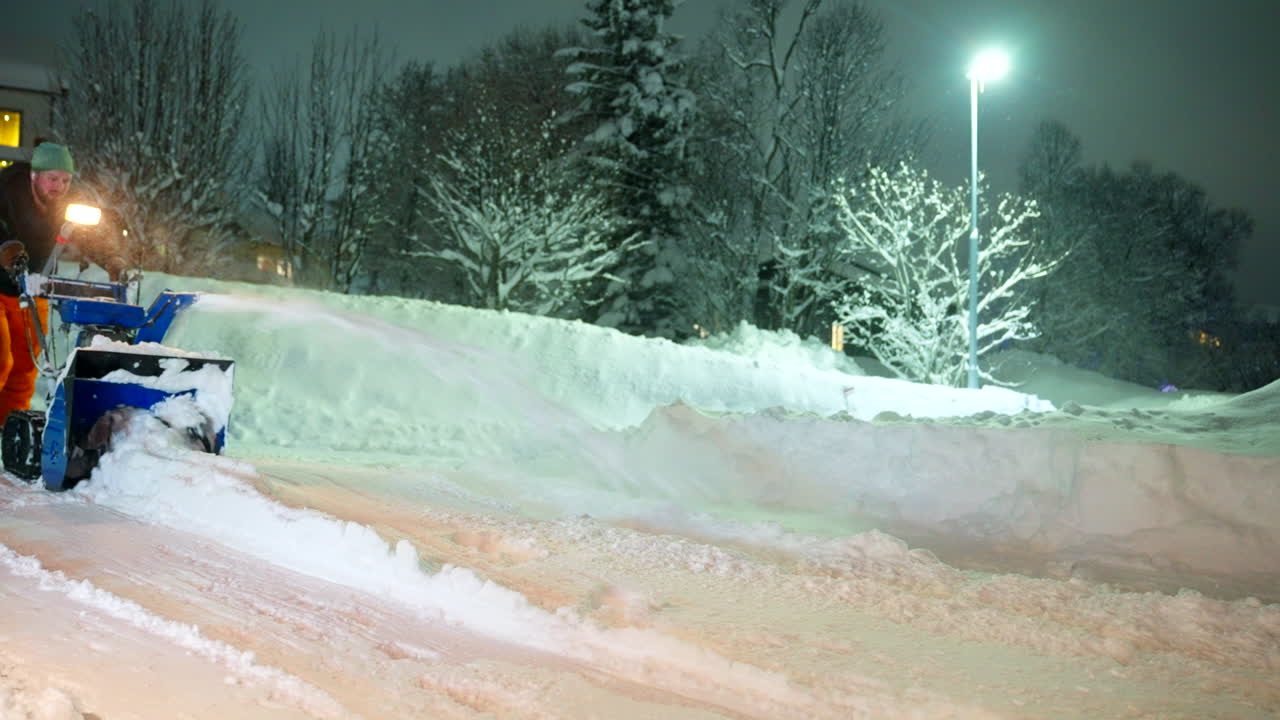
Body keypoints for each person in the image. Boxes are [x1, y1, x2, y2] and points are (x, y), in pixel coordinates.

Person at [0, 141, 77, 422]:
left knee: (23, 369)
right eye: (52, 178)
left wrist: (113, 258)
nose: (59, 186)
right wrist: (5, 246)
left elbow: (91, 233)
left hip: (31, 290)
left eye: (65, 180)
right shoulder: (7, 191)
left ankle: (8, 431)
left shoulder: (64, 206)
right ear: (35, 175)